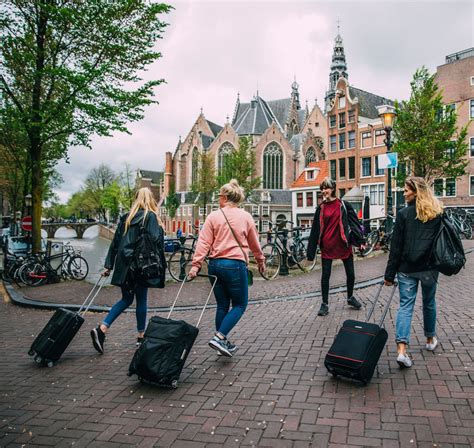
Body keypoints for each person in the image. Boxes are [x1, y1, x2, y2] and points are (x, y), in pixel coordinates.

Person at [188, 179, 266, 357]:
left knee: (222, 305)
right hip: (234, 265)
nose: (217, 199)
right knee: (239, 304)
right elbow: (254, 244)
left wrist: (195, 265)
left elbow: (203, 243)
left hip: (214, 265)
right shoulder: (245, 217)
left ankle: (221, 343)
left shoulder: (213, 217)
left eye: (219, 196)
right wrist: (261, 261)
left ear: (225, 197)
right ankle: (219, 337)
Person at [90, 187, 166, 354]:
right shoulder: (150, 217)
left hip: (124, 266)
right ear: (150, 199)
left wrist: (108, 266)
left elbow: (115, 243)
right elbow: (156, 241)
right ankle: (141, 335)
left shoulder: (126, 218)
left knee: (126, 299)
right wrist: (160, 226)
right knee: (141, 299)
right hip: (140, 266)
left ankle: (102, 328)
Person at [384, 176, 443, 368]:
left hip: (407, 268)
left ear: (417, 192)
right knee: (429, 302)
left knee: (405, 306)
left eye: (407, 190)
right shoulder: (437, 214)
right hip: (428, 268)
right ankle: (429, 339)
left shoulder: (403, 214)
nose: (404, 192)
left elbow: (396, 247)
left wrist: (389, 275)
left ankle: (402, 350)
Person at [307, 177, 366, 316]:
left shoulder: (343, 205)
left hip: (343, 244)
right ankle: (324, 303)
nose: (323, 191)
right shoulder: (320, 208)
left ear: (332, 189)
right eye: (322, 189)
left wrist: (360, 241)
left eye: (326, 188)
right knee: (325, 276)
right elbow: (315, 230)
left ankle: (350, 297)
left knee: (351, 274)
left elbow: (354, 223)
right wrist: (311, 251)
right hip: (327, 246)